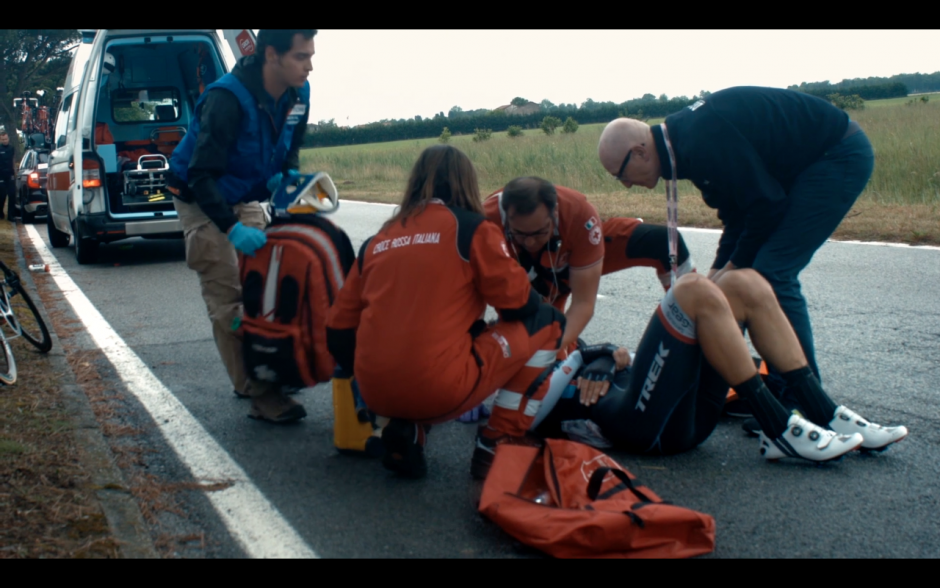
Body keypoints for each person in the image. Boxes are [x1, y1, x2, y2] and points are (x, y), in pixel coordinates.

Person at [597, 86, 875, 431]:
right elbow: (737, 214)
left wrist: (729, 271)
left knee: (771, 275)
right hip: (799, 166)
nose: (623, 185)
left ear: (639, 152)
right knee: (737, 279)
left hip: (836, 155)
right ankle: (778, 390)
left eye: (619, 174)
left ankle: (799, 399)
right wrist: (716, 275)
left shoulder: (700, 141)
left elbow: (766, 207)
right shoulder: (682, 144)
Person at [325, 144, 566, 480]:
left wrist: (384, 378)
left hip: (374, 392)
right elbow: (519, 305)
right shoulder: (472, 229)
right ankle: (499, 439)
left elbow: (337, 330)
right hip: (440, 388)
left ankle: (408, 429)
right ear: (467, 184)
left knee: (433, 339)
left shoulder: (378, 240)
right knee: (550, 321)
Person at [530, 268, 908, 462]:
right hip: (644, 427)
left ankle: (824, 411)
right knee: (692, 291)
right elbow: (524, 408)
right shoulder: (502, 371)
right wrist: (588, 360)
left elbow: (618, 354)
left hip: (680, 407)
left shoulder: (565, 343)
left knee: (742, 282)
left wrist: (602, 356)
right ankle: (779, 427)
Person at [167, 30, 315, 423]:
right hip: (202, 197)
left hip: (246, 192)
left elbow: (292, 140)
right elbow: (201, 176)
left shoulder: (300, 94)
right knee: (229, 295)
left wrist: (286, 174)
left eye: (311, 56)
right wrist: (231, 230)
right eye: (301, 57)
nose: (309, 65)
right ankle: (259, 391)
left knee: (263, 288)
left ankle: (263, 369)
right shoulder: (226, 100)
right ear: (271, 55)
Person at [482, 178, 696, 358]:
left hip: (576, 255)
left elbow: (584, 303)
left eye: (539, 232)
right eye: (520, 234)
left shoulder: (580, 215)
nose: (529, 242)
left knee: (665, 243)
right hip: (529, 280)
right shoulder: (483, 221)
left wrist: (548, 349)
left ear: (555, 212)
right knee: (543, 353)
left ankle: (694, 329)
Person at [0, 131, 15, 220]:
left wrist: (15, 173)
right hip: (1, 175)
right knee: (2, 195)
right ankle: (0, 212)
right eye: (3, 139)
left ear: (8, 139)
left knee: (12, 195)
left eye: (6, 139)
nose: (5, 141)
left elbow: (13, 160)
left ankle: (11, 215)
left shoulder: (11, 148)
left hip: (10, 174)